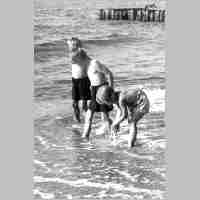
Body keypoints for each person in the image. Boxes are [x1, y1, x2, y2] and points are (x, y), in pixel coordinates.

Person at [67, 37, 91, 123]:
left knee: (84, 104)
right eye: (69, 45)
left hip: (83, 80)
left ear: (75, 45)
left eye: (70, 45)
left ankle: (88, 120)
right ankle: (77, 120)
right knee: (74, 103)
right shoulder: (73, 53)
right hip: (75, 80)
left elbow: (74, 59)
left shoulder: (81, 52)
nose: (69, 47)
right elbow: (72, 60)